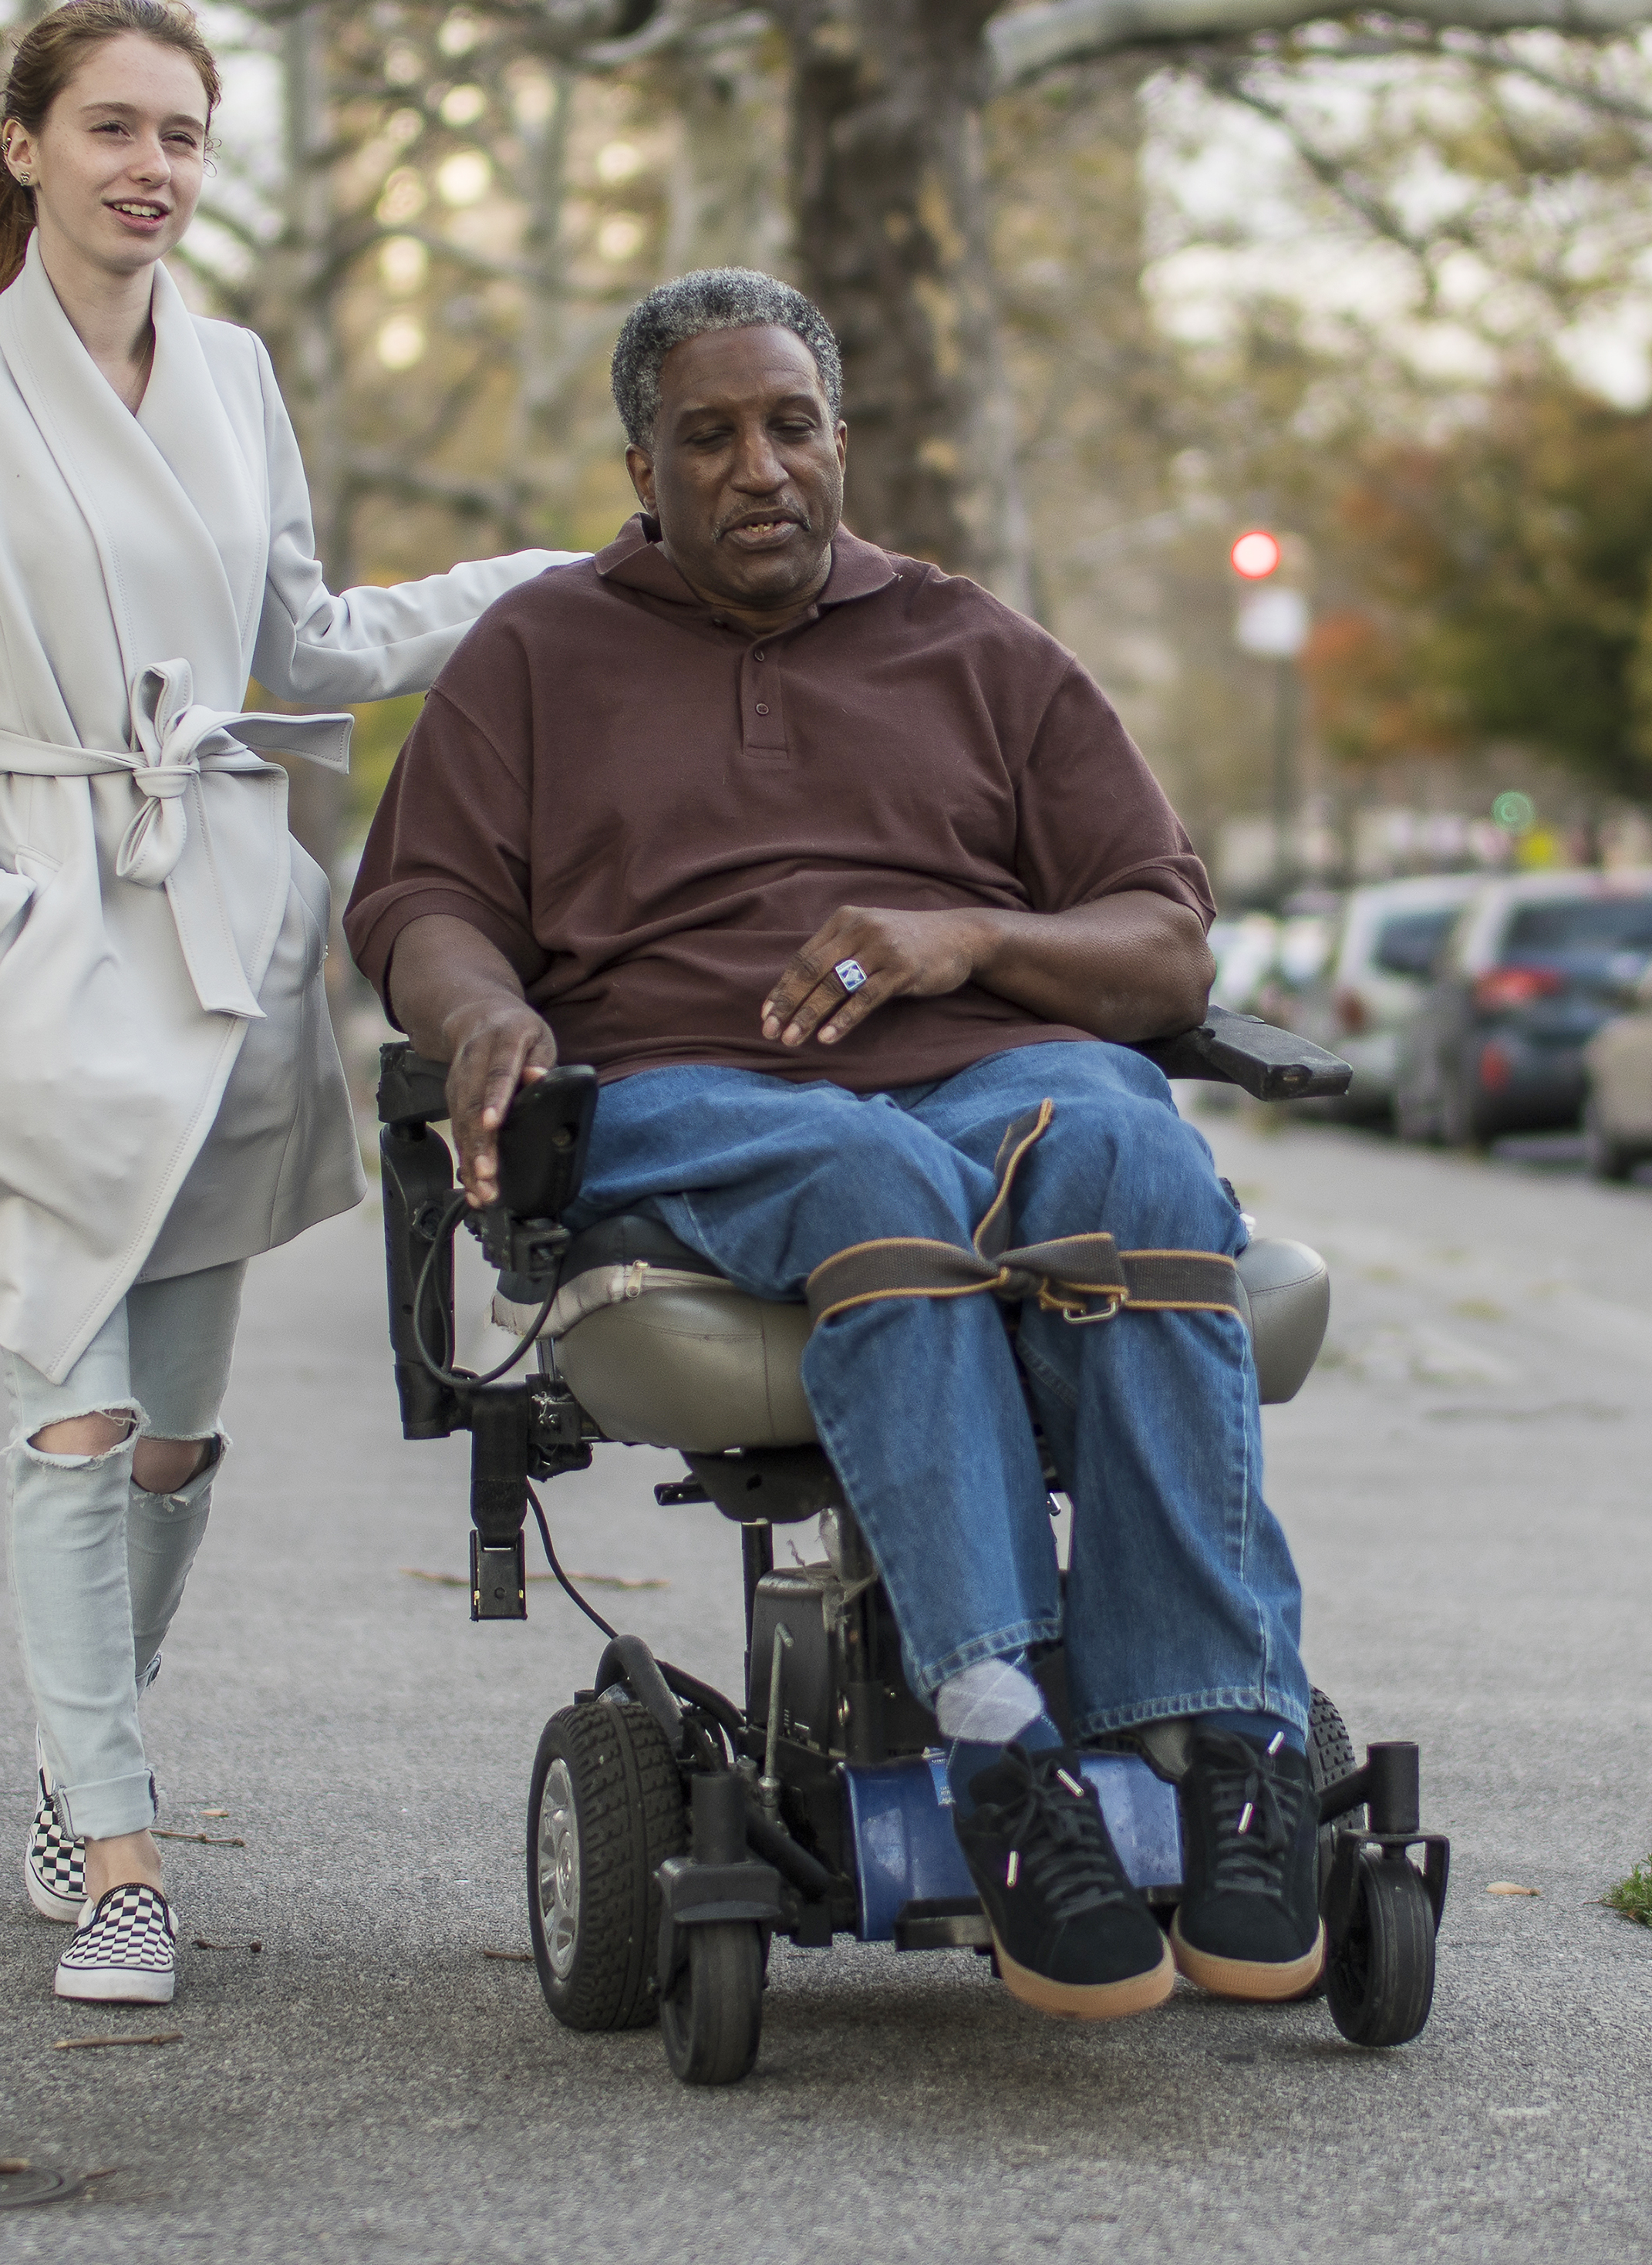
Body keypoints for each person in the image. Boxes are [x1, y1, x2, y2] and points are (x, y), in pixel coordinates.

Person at [350, 269, 1315, 2025]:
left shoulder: (978, 647)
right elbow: (424, 904)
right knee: (875, 1184)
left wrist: (968, 938)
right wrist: (477, 1010)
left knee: (1137, 1154)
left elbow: (1165, 941)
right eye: (707, 436)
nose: (758, 466)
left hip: (982, 1061)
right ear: (640, 467)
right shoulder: (538, 658)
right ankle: (1008, 1742)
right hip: (689, 1084)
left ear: (840, 437)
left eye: (790, 424)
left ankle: (1230, 1739)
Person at [0, 0, 577, 2007]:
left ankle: (76, 1763)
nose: (153, 164)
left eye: (185, 134)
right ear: (27, 145)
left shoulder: (232, 374)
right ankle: (124, 1848)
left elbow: (303, 641)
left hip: (224, 936)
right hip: (48, 928)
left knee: (175, 1436)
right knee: (72, 1413)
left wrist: (545, 580)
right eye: (115, 127)